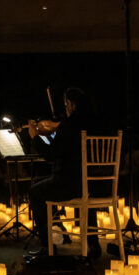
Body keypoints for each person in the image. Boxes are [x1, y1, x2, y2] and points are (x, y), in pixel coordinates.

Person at [27, 87, 101, 257]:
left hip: (69, 185)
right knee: (81, 190)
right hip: (94, 184)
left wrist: (35, 137)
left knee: (35, 192)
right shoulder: (93, 123)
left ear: (72, 105)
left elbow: (50, 155)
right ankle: (93, 244)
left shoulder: (68, 126)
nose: (65, 108)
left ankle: (47, 246)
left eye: (66, 104)